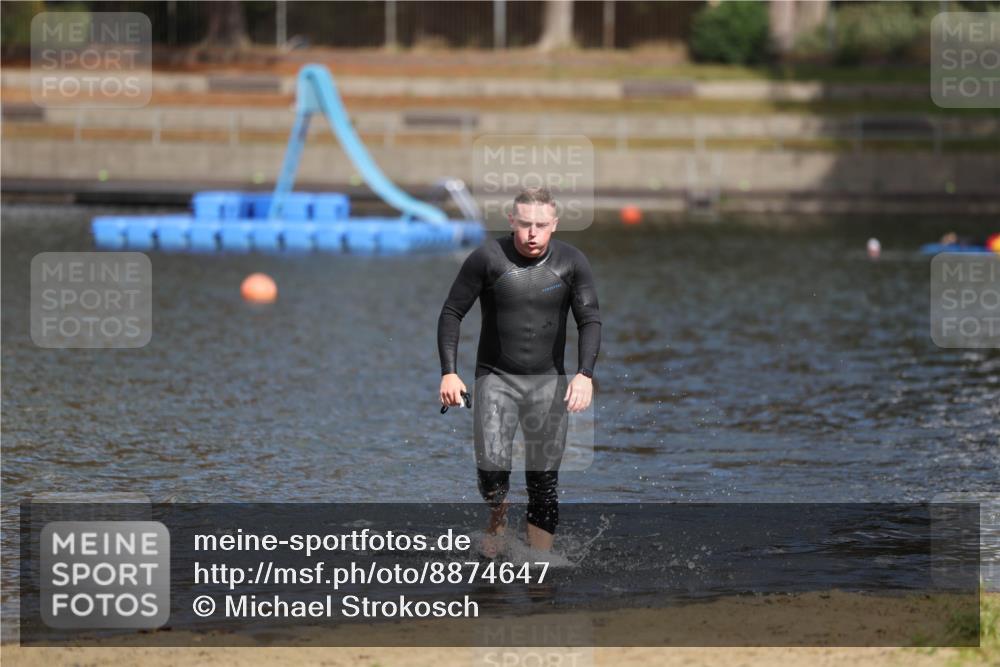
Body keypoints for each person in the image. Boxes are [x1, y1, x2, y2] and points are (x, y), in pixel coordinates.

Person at [437, 187, 601, 554]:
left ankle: (539, 565)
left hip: (548, 383)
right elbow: (451, 312)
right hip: (496, 379)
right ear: (512, 220)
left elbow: (589, 320)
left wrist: (584, 374)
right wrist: (449, 372)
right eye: (525, 224)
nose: (532, 233)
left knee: (543, 480)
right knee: (492, 471)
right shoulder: (487, 258)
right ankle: (498, 515)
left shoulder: (572, 263)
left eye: (541, 225)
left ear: (554, 225)